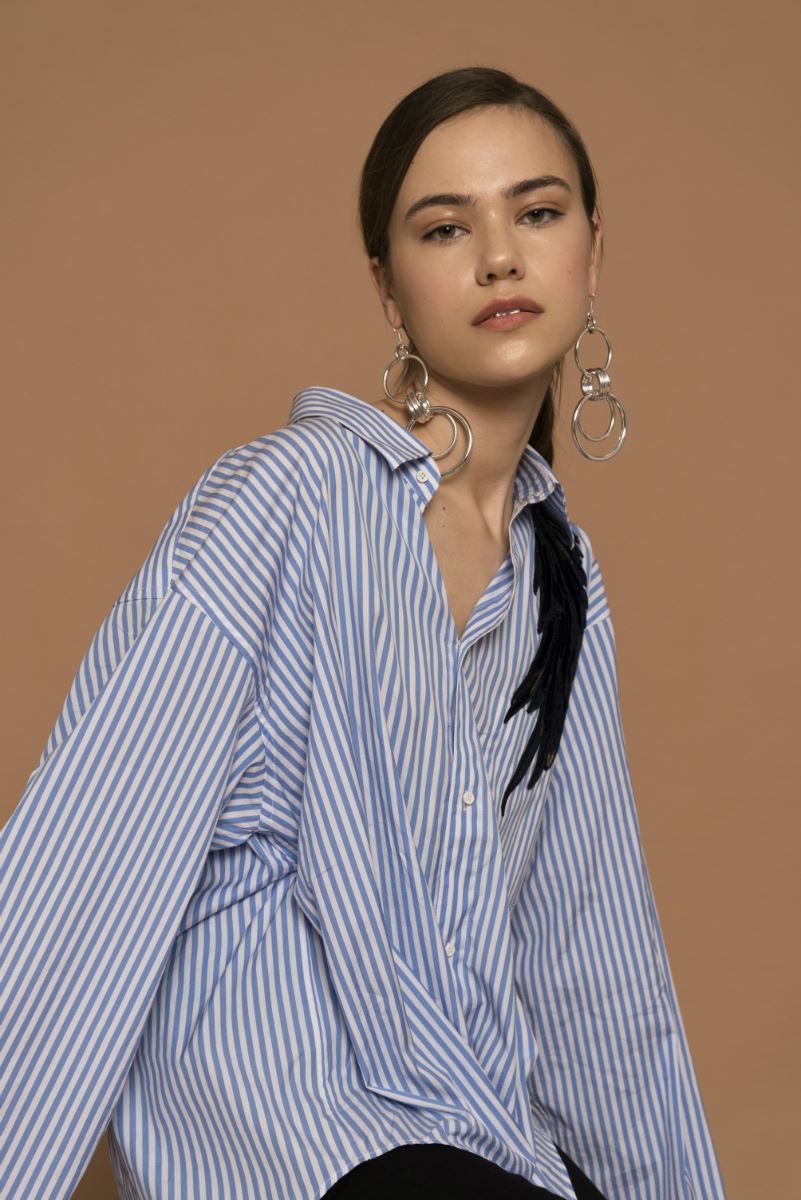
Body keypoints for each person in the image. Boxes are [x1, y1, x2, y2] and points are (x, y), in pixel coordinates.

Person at [0, 66, 727, 1200]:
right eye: (446, 229)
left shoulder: (559, 576)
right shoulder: (285, 498)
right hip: (291, 1130)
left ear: (593, 252)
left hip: (469, 1119)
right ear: (388, 290)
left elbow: (589, 942)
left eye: (537, 213)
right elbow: (85, 862)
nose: (499, 258)